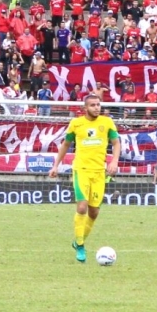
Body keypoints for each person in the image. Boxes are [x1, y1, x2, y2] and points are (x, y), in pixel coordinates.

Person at [48, 95, 121, 262]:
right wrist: (55, 165)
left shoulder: (107, 122)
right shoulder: (76, 124)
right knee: (82, 207)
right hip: (81, 170)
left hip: (99, 173)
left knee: (94, 212)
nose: (97, 107)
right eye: (93, 105)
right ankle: (80, 245)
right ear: (85, 108)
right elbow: (65, 144)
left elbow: (116, 143)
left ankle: (78, 240)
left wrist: (114, 161)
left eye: (98, 104)